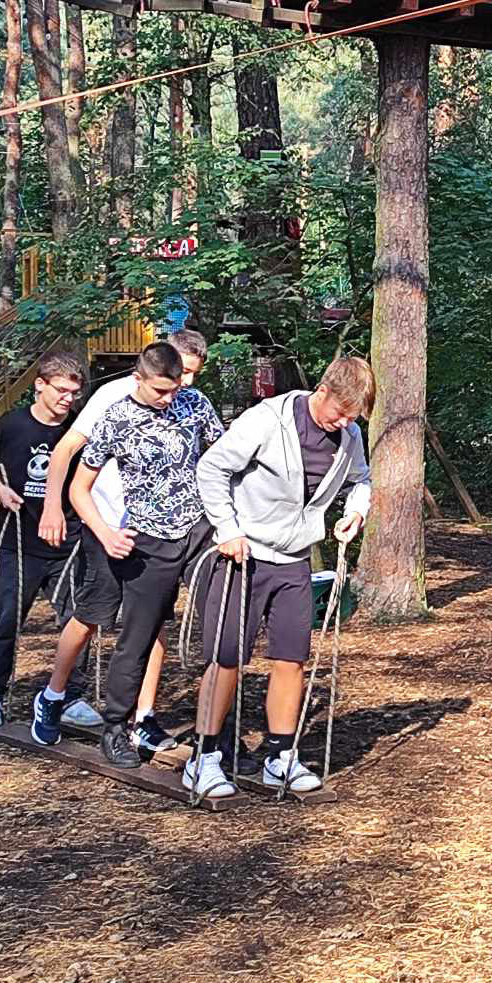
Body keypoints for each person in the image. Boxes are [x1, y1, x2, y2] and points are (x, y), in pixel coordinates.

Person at [182, 356, 375, 799]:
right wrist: (227, 529)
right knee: (226, 657)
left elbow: (361, 480)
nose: (345, 423)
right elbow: (211, 468)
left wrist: (355, 512)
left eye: (353, 417)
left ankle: (281, 756)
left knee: (292, 658)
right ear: (323, 390)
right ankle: (204, 757)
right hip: (242, 554)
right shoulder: (268, 419)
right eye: (340, 413)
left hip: (294, 559)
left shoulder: (349, 436)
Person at [34, 327, 209, 755]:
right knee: (93, 614)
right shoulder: (113, 400)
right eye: (180, 374)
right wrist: (53, 507)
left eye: (190, 376)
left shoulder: (189, 403)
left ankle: (143, 716)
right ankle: (53, 695)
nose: (183, 386)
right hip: (108, 520)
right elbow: (67, 452)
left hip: (157, 534)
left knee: (152, 620)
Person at [0, 350, 104, 734]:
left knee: (77, 619)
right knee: (6, 618)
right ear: (40, 385)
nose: (68, 399)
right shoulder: (12, 424)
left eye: (74, 393)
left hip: (69, 543)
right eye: (61, 390)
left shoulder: (77, 429)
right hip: (19, 541)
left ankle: (69, 695)